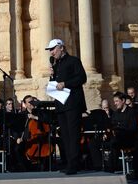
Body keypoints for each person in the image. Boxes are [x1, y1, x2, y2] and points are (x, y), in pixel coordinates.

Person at [48, 38, 87, 175]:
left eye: (53, 49)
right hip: (61, 104)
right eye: (50, 50)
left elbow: (82, 78)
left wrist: (65, 83)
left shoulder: (74, 61)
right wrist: (52, 77)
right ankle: (69, 163)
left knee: (73, 134)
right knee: (65, 135)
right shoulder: (56, 65)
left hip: (72, 104)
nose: (51, 53)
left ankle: (74, 164)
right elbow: (55, 85)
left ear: (61, 48)